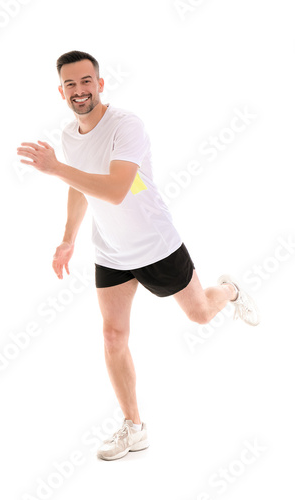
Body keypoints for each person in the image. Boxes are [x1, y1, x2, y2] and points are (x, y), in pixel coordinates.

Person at [17, 50, 260, 461]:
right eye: (71, 84)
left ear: (100, 83)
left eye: (86, 81)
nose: (79, 90)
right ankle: (134, 427)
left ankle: (230, 289)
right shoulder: (67, 137)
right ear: (61, 91)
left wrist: (56, 168)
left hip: (154, 243)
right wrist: (68, 238)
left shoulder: (126, 125)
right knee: (113, 335)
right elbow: (81, 186)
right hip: (110, 249)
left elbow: (114, 188)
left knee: (199, 313)